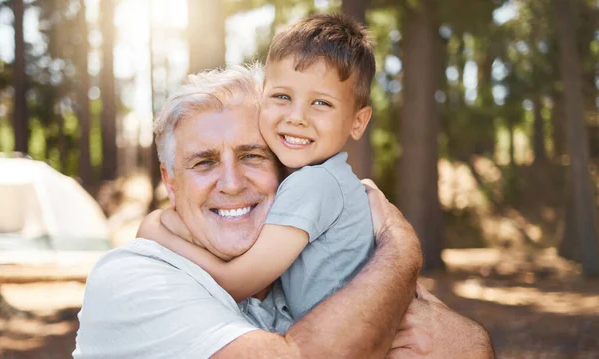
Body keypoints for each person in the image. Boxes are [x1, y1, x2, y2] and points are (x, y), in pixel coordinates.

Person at [73, 65, 493, 358]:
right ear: (170, 181)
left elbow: (469, 346)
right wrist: (402, 250)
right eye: (203, 162)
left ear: (283, 168)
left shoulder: (301, 262)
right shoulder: (131, 277)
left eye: (252, 156)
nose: (232, 182)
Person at [153, 13, 376, 320]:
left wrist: (158, 233)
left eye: (321, 103)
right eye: (282, 96)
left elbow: (235, 282)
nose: (297, 117)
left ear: (358, 121)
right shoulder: (322, 180)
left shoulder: (314, 185)